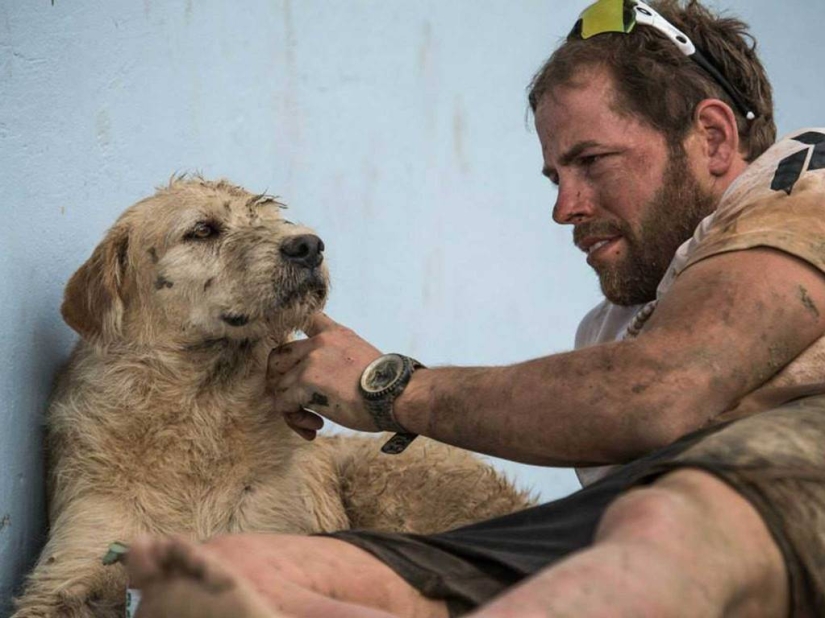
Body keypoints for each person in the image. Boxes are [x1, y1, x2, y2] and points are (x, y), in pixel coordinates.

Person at [126, 0, 825, 616]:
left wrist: (390, 386)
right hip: (624, 542)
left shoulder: (805, 182)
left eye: (592, 161)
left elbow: (657, 391)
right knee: (252, 572)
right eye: (556, 175)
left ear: (711, 137)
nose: (564, 207)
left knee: (671, 521)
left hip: (741, 510)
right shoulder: (611, 330)